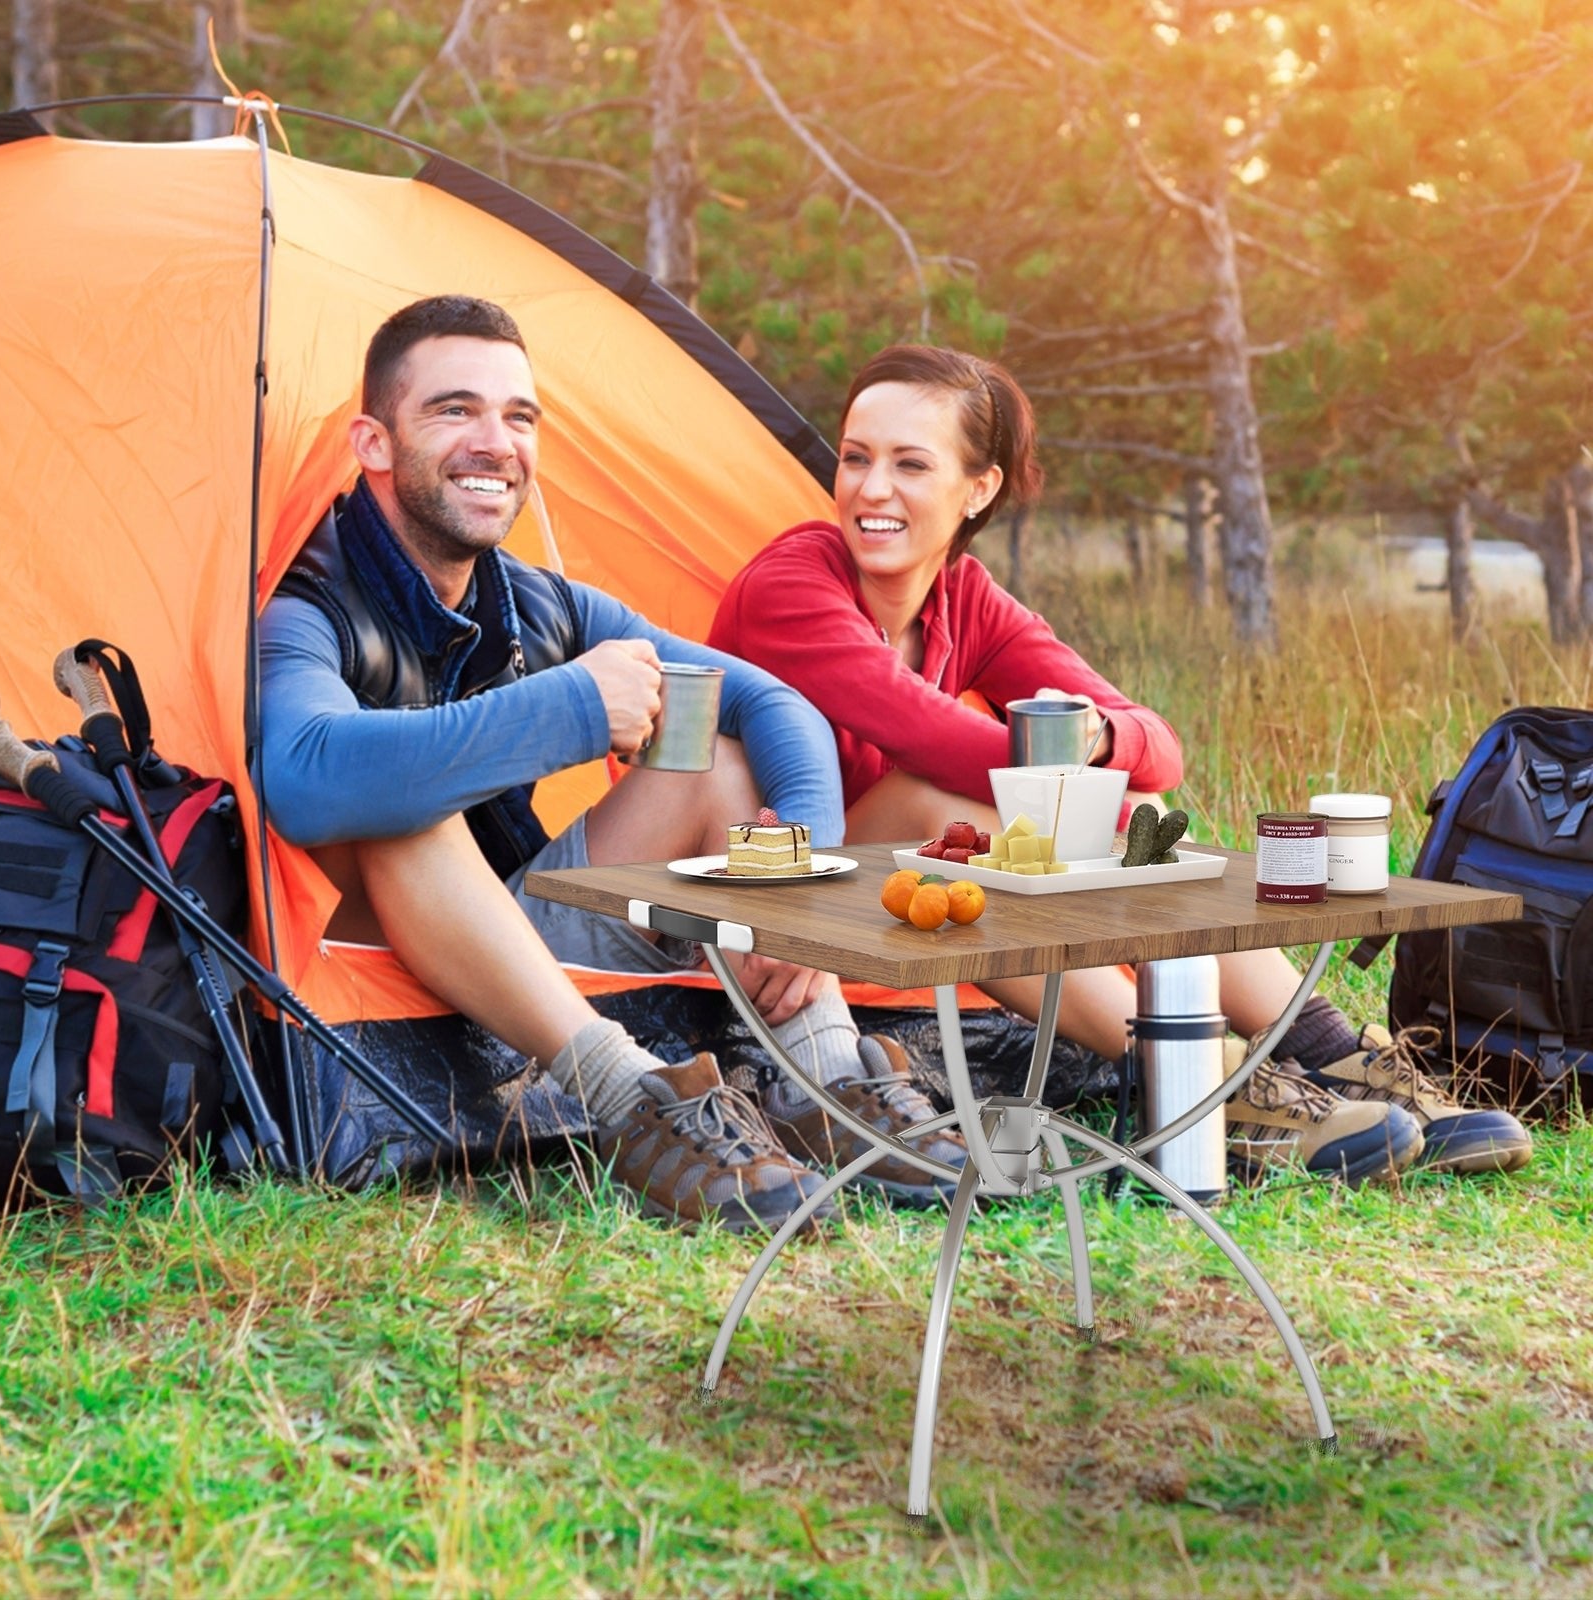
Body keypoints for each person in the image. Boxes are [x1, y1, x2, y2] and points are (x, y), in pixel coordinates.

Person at [710, 344, 1532, 1180]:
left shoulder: (967, 599)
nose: (870, 489)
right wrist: (1074, 780)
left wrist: (1098, 741)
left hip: (891, 903)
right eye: (856, 458)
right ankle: (1200, 1083)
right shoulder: (794, 582)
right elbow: (934, 740)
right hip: (776, 892)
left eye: (909, 464)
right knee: (953, 810)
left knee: (1124, 820)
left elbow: (1157, 747)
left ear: (978, 488)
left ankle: (1325, 1050)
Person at [257, 297, 966, 1230]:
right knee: (403, 803)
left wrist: (802, 884)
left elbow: (772, 703)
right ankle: (635, 1103)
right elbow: (306, 778)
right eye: (452, 410)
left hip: (505, 936)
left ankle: (826, 1079)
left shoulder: (541, 604)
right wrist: (574, 709)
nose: (493, 442)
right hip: (362, 969)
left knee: (715, 760)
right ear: (373, 443)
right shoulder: (305, 605)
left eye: (518, 417)